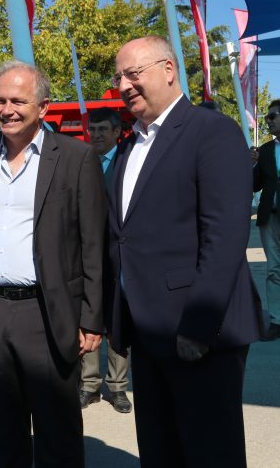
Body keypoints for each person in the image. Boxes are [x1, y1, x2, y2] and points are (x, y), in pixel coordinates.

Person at [107, 36, 262, 467]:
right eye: (118, 77)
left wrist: (198, 327)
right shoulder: (129, 145)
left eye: (133, 74)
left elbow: (224, 237)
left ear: (169, 70)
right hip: (148, 332)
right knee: (161, 452)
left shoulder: (212, 132)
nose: (123, 85)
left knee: (210, 453)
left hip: (199, 332)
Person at [0, 60, 106, 468]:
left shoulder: (76, 157)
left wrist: (91, 318)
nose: (7, 109)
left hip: (46, 311)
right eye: (0, 100)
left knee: (56, 429)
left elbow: (93, 243)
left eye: (18, 101)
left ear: (43, 107)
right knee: (4, 429)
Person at [79, 107, 132, 414]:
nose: (96, 135)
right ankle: (89, 385)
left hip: (118, 256)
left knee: (118, 320)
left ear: (116, 132)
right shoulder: (81, 161)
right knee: (88, 316)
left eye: (102, 130)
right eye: (93, 129)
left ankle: (118, 386)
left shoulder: (127, 162)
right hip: (85, 255)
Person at [253, 98, 280, 341]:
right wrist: (252, 164)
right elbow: (255, 184)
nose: (268, 121)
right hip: (270, 217)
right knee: (273, 270)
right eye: (267, 117)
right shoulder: (266, 151)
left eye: (272, 116)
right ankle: (276, 320)